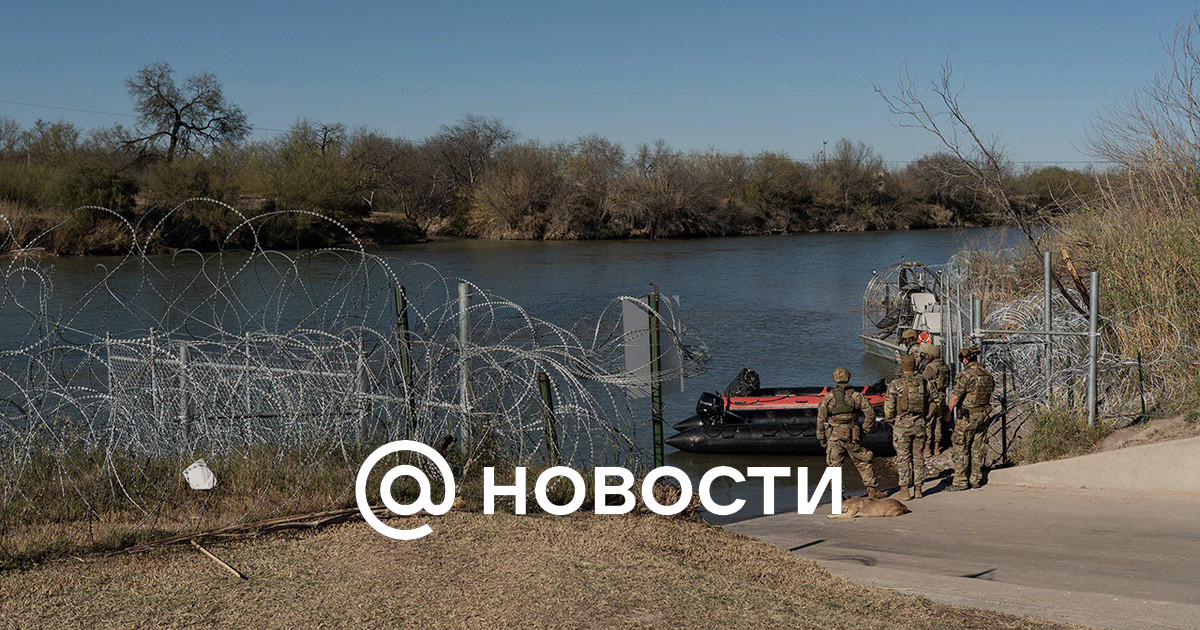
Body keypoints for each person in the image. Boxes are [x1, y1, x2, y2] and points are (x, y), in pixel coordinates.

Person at [817, 367, 885, 500]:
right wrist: (865, 430)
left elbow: (821, 418)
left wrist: (821, 437)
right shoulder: (856, 396)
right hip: (853, 434)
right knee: (863, 461)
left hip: (834, 436)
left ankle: (838, 496)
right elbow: (870, 413)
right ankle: (872, 490)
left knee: (834, 467)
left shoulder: (828, 398)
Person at [943, 346, 996, 491]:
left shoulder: (965, 375)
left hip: (967, 417)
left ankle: (960, 481)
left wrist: (948, 413)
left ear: (965, 359)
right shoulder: (986, 375)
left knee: (961, 447)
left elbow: (955, 397)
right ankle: (975, 479)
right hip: (983, 415)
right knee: (977, 447)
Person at [884, 354, 930, 499]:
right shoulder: (924, 382)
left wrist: (891, 420)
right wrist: (927, 416)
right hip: (920, 425)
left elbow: (889, 406)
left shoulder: (895, 384)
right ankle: (918, 489)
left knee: (903, 458)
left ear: (902, 367)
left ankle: (904, 490)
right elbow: (936, 399)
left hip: (902, 426)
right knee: (918, 457)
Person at [920, 343, 952, 456]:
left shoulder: (931, 367)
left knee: (929, 422)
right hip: (942, 396)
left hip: (932, 398)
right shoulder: (945, 366)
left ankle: (927, 448)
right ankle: (937, 448)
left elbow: (923, 381)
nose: (926, 357)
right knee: (938, 421)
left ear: (931, 356)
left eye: (927, 355)